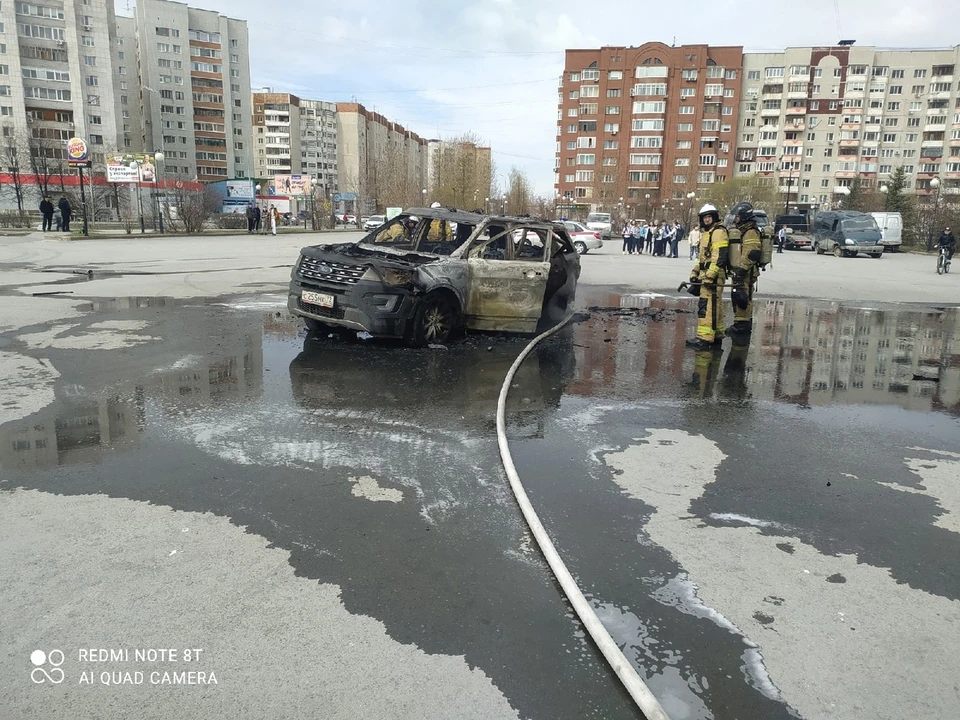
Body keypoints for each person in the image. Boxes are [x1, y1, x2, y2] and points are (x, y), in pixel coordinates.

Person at [685, 203, 729, 350]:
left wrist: (710, 276)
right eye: (704, 217)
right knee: (713, 305)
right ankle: (716, 335)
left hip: (714, 276)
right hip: (707, 275)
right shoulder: (707, 234)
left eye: (709, 217)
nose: (707, 220)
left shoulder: (718, 232)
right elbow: (702, 258)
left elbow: (719, 257)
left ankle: (704, 338)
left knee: (707, 306)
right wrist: (694, 273)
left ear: (714, 217)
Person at [726, 201, 764, 339]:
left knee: (742, 297)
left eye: (737, 217)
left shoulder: (751, 231)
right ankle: (740, 323)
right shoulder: (743, 230)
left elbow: (751, 253)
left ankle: (742, 327)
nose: (735, 219)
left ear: (743, 216)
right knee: (739, 295)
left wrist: (741, 270)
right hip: (741, 271)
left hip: (746, 272)